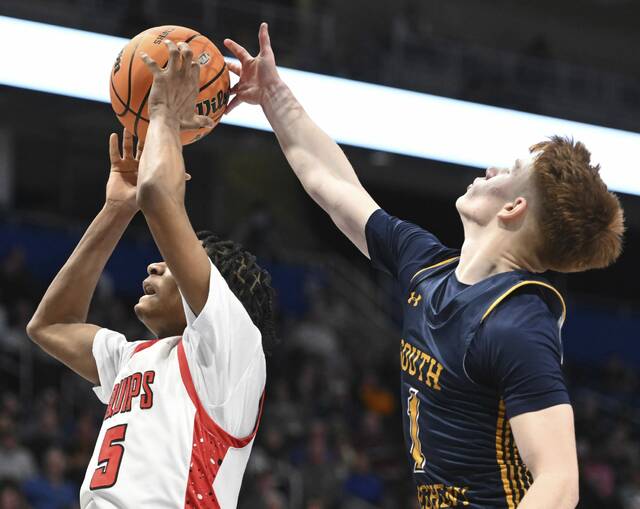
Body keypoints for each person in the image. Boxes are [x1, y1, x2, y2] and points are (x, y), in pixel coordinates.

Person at [224, 23, 625, 508]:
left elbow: (559, 484)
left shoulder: (518, 324)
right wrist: (273, 96)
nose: (493, 170)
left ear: (513, 208)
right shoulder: (428, 268)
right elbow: (332, 186)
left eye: (510, 171)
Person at [27, 40, 275, 508]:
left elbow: (160, 196)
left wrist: (163, 112)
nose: (158, 262)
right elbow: (49, 326)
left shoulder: (231, 349)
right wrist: (116, 211)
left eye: (175, 258)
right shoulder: (133, 358)